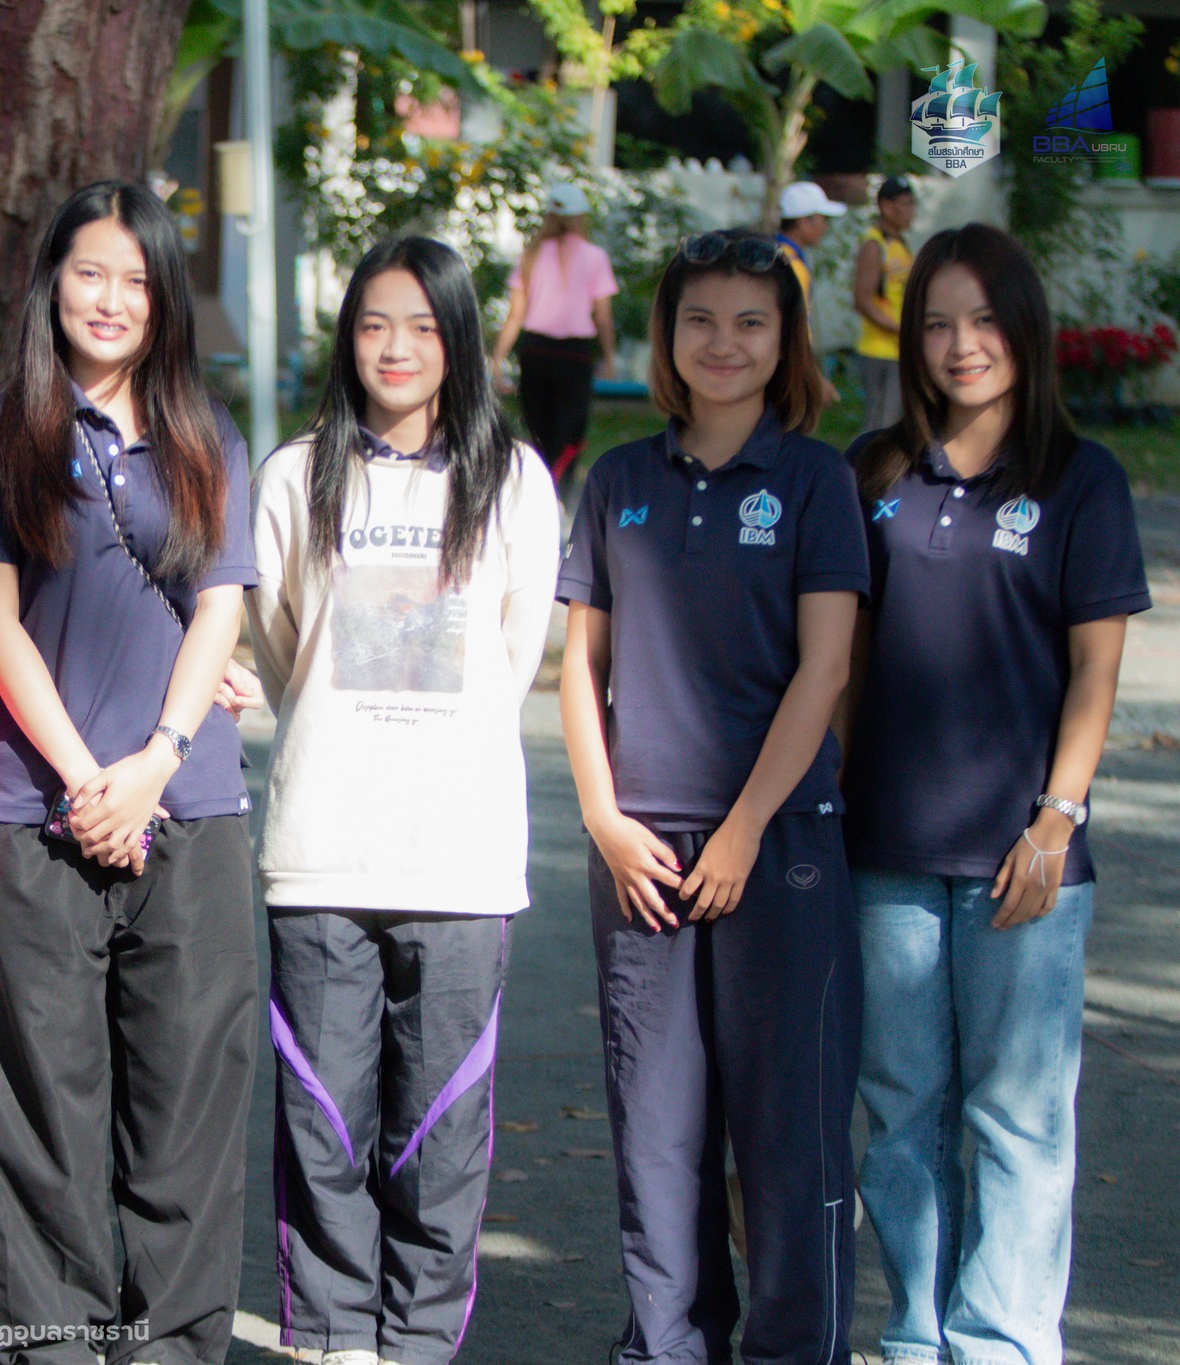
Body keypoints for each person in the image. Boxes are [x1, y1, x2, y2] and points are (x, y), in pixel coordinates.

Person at [0, 179, 258, 1365]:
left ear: (164, 296)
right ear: (52, 284)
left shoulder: (205, 432)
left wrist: (154, 765)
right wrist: (91, 784)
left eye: (134, 279)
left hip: (189, 808)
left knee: (186, 1110)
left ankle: (173, 1347)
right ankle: (53, 1347)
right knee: (46, 1111)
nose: (110, 299)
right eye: (89, 273)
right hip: (35, 814)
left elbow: (220, 607)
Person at [556, 228, 868, 1365]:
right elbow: (578, 667)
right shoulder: (619, 480)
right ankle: (666, 1345)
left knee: (787, 1131)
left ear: (785, 340)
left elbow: (824, 669)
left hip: (776, 845)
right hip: (639, 851)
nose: (722, 342)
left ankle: (793, 1349)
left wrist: (740, 830)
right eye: (700, 319)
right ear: (666, 336)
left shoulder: (815, 480)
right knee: (656, 1131)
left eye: (750, 321)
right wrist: (602, 818)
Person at [839, 223, 1150, 1365]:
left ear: (1023, 327)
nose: (959, 344)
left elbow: (1095, 668)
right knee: (900, 1113)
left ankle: (1004, 1343)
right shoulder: (872, 471)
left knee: (1017, 1118)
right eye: (935, 322)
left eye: (981, 319)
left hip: (1024, 854)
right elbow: (841, 659)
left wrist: (1056, 820)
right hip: (885, 847)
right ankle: (916, 1336)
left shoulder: (1079, 478)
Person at [249, 236, 561, 1365]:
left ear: (459, 341)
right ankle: (335, 1338)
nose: (395, 347)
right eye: (375, 323)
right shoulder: (294, 476)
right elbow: (281, 644)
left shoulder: (515, 481)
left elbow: (513, 654)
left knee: (438, 1127)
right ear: (346, 337)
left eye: (423, 326)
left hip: (458, 854)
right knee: (324, 1120)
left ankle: (419, 1340)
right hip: (321, 850)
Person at [491, 182, 618, 494]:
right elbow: (602, 317)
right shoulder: (595, 257)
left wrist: (497, 358)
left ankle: (534, 494)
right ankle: (559, 495)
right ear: (581, 216)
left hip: (536, 351)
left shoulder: (531, 255)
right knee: (569, 434)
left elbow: (516, 314)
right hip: (575, 355)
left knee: (538, 432)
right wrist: (609, 357)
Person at [851, 175, 916, 435]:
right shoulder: (874, 244)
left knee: (893, 426)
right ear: (887, 207)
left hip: (898, 351)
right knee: (879, 427)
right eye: (906, 204)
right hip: (879, 351)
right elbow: (862, 300)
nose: (912, 211)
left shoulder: (900, 244)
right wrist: (900, 329)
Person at [777, 179, 848, 406]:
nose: (825, 227)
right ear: (804, 222)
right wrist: (813, 376)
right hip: (788, 367)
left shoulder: (776, 254)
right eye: (822, 219)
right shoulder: (793, 266)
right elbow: (791, 326)